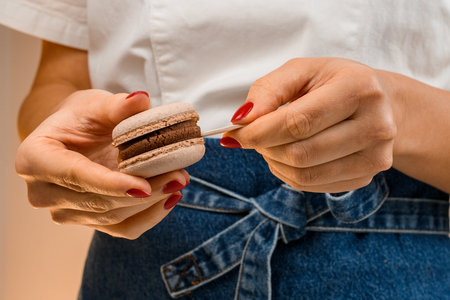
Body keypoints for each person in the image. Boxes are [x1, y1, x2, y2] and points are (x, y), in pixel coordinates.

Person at [2, 1, 450, 299]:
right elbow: (59, 82)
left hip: (398, 255)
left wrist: (399, 110)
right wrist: (72, 156)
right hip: (153, 245)